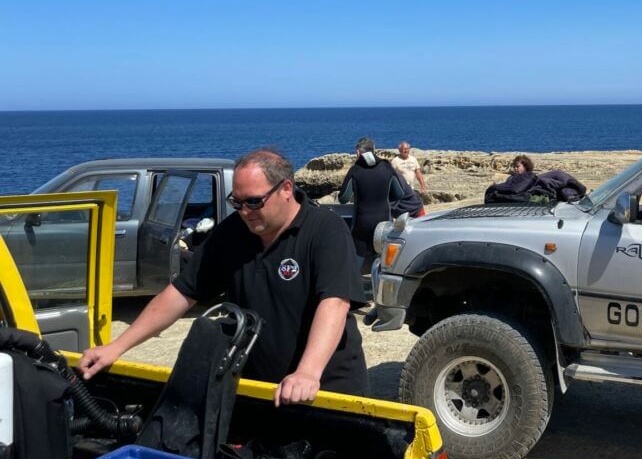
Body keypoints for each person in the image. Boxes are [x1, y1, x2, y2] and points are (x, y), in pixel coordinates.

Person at [77, 149, 368, 403]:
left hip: (324, 388)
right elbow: (181, 293)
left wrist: (307, 372)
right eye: (236, 202)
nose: (244, 212)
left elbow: (335, 302)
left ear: (286, 189)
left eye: (254, 202)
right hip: (258, 388)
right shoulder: (232, 232)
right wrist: (116, 347)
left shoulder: (325, 229)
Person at [339, 137, 404, 274]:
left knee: (355, 262)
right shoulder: (386, 167)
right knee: (383, 260)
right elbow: (399, 194)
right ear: (374, 150)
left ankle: (354, 289)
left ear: (358, 153)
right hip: (383, 222)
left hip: (361, 223)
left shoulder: (355, 170)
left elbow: (343, 198)